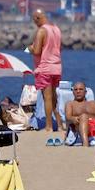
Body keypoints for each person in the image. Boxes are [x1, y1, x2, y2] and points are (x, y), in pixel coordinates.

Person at [30, 9, 63, 139]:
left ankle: (49, 126)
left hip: (45, 67)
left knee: (47, 97)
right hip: (56, 66)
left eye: (34, 19)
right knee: (54, 96)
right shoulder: (56, 29)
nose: (34, 22)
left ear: (38, 18)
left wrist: (29, 48)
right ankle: (60, 123)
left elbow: (37, 50)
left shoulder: (42, 31)